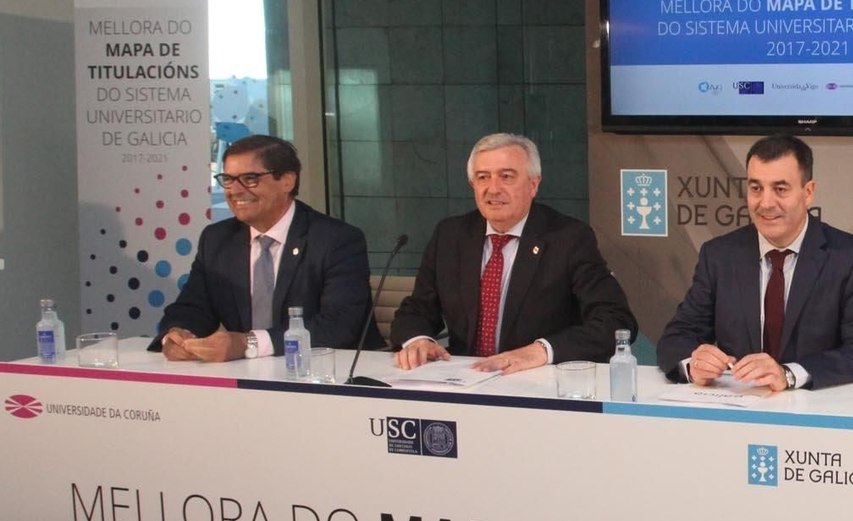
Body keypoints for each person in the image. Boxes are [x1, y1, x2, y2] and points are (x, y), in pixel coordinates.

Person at [389, 132, 635, 373]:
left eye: (506, 176)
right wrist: (417, 340)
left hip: (535, 381)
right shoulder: (451, 235)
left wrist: (541, 351)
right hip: (465, 378)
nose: (493, 189)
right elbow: (417, 310)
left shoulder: (568, 238)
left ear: (533, 184)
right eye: (483, 177)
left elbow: (615, 320)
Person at [657, 134, 853, 392]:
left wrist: (788, 374)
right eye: (756, 188)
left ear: (808, 192)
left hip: (816, 407)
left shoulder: (849, 257)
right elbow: (677, 337)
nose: (765, 203)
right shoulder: (719, 255)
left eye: (780, 189)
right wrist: (694, 364)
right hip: (737, 406)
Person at [151, 135, 373, 361]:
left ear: (287, 181)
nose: (234, 190)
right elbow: (193, 307)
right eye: (228, 179)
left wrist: (248, 344)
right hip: (243, 374)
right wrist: (179, 334)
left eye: (250, 179)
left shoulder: (336, 240)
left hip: (326, 368)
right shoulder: (217, 239)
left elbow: (338, 325)